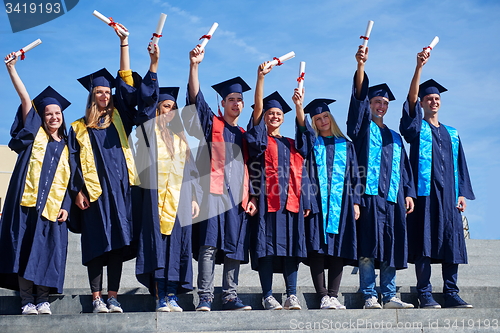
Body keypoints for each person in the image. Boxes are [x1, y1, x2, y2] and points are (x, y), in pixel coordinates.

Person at [68, 23, 139, 313]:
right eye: (99, 91)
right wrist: (75, 192)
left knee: (118, 246)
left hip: (121, 192)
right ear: (91, 95)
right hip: (94, 195)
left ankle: (113, 296)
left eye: (107, 91)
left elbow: (127, 87)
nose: (105, 95)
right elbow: (71, 163)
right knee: (97, 244)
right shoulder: (77, 127)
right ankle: (96, 297)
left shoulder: (120, 119)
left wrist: (124, 45)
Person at [182, 45, 257, 311]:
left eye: (239, 100)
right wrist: (194, 65)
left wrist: (252, 198)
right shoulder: (210, 123)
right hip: (212, 194)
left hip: (238, 197)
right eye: (231, 99)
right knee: (209, 245)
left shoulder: (246, 135)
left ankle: (229, 295)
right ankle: (204, 297)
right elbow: (196, 99)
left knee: (235, 249)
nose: (236, 103)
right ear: (222, 103)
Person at [399, 49, 475, 308]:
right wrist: (418, 67)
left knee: (452, 243)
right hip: (424, 196)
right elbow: (409, 101)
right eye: (428, 98)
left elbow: (461, 165)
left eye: (436, 98)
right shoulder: (417, 129)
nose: (433, 101)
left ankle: (451, 292)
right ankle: (425, 293)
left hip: (449, 197)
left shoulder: (452, 133)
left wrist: (461, 192)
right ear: (421, 103)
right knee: (423, 244)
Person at [0, 53, 71, 315]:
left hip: (52, 210)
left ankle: (43, 299)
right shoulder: (33, 136)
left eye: (57, 113)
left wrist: (66, 206)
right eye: (48, 113)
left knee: (47, 251)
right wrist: (12, 70)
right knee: (24, 247)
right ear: (41, 117)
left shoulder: (67, 146)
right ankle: (26, 299)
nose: (53, 117)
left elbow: (72, 180)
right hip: (25, 205)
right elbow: (25, 99)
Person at [134, 43, 202, 312]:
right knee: (159, 247)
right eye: (165, 106)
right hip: (156, 201)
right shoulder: (149, 135)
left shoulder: (181, 140)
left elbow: (193, 171)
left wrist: (195, 198)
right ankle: (160, 295)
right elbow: (145, 105)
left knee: (178, 247)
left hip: (181, 201)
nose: (170, 111)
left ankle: (172, 295)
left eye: (173, 107)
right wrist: (154, 64)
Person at [347, 45, 415, 309]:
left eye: (385, 103)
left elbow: (405, 169)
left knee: (391, 246)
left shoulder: (396, 137)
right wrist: (361, 66)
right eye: (377, 101)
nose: (381, 106)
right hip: (369, 197)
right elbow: (357, 101)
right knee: (367, 249)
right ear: (369, 105)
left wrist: (408, 192)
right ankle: (369, 295)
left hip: (393, 199)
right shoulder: (363, 129)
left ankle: (389, 295)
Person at [244, 63, 311, 311]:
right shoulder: (260, 141)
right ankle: (268, 295)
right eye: (271, 113)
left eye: (279, 114)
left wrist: (299, 106)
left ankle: (292, 295)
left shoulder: (293, 143)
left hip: (291, 205)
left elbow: (307, 145)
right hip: (266, 204)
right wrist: (260, 79)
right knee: (267, 250)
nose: (274, 116)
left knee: (291, 250)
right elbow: (257, 117)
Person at [294, 94, 361, 310]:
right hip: (317, 203)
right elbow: (302, 136)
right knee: (318, 249)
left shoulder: (346, 145)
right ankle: (323, 295)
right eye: (318, 119)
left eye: (326, 116)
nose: (323, 121)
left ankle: (333, 295)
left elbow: (355, 175)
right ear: (313, 122)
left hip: (341, 205)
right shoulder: (312, 143)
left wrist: (356, 203)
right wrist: (299, 106)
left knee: (338, 248)